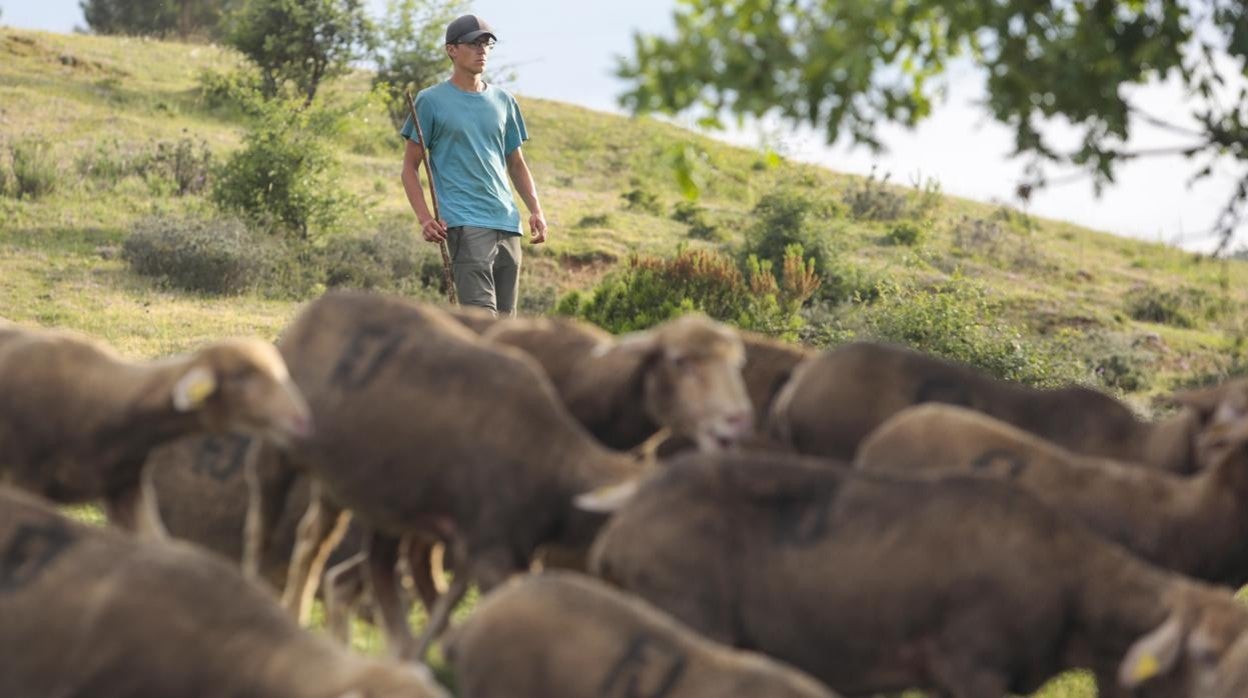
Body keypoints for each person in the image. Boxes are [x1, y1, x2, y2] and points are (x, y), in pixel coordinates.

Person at [400, 14, 547, 317]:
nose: (482, 50)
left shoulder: (504, 101)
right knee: (483, 323)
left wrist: (535, 209)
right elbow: (409, 168)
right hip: (465, 226)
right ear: (451, 50)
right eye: (473, 43)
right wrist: (425, 218)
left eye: (487, 44)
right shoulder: (430, 101)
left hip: (508, 223)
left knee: (507, 329)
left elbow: (516, 163)